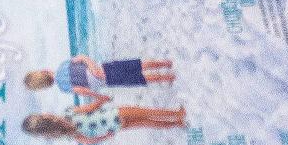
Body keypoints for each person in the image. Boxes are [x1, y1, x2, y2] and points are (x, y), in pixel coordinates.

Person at [22, 91, 188, 145]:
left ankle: (177, 122)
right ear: (44, 117)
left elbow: (91, 141)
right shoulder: (69, 113)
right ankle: (177, 114)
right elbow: (91, 108)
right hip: (114, 114)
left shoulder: (70, 136)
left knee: (147, 123)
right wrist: (103, 99)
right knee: (147, 112)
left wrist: (107, 136)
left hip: (115, 127)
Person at [23, 55, 176, 93]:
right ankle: (166, 63)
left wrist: (98, 95)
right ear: (43, 72)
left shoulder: (63, 88)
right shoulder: (62, 66)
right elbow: (82, 57)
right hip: (102, 69)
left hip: (104, 81)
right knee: (136, 65)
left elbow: (82, 90)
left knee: (137, 78)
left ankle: (168, 77)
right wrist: (94, 68)